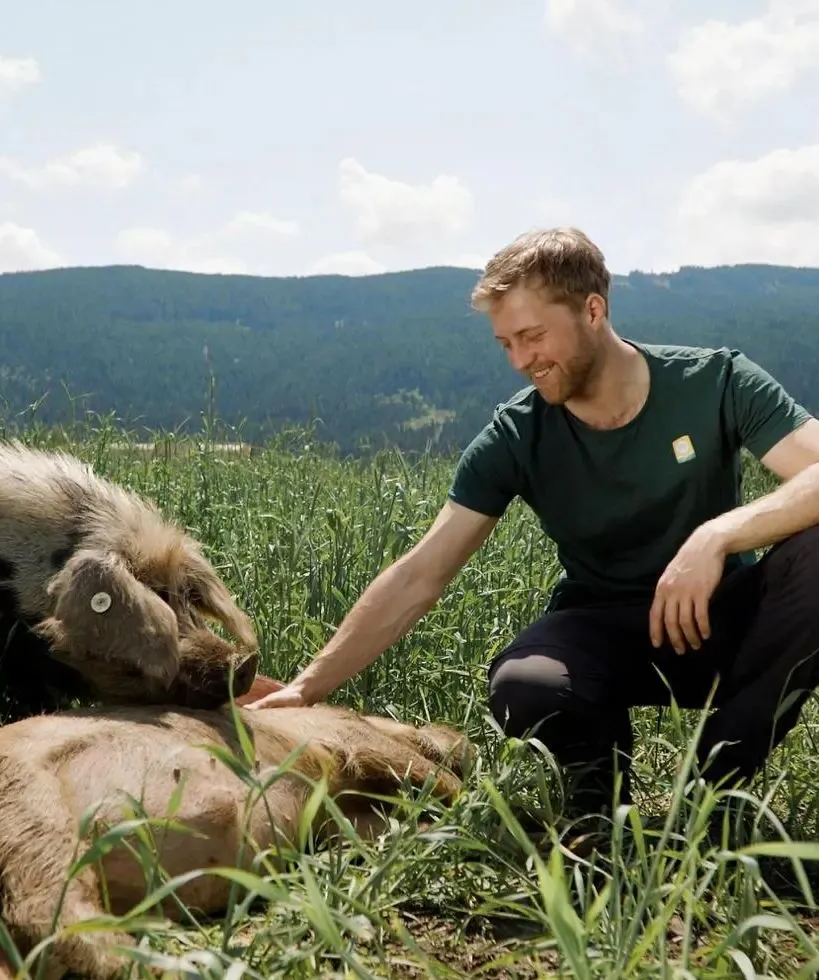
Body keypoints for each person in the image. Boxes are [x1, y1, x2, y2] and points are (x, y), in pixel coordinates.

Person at [248, 225, 819, 820]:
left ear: (593, 310)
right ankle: (596, 808)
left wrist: (717, 534)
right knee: (527, 683)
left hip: (723, 620)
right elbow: (421, 574)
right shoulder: (516, 436)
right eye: (506, 344)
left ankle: (711, 798)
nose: (521, 360)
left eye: (532, 336)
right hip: (604, 632)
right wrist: (307, 687)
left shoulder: (716, 384)